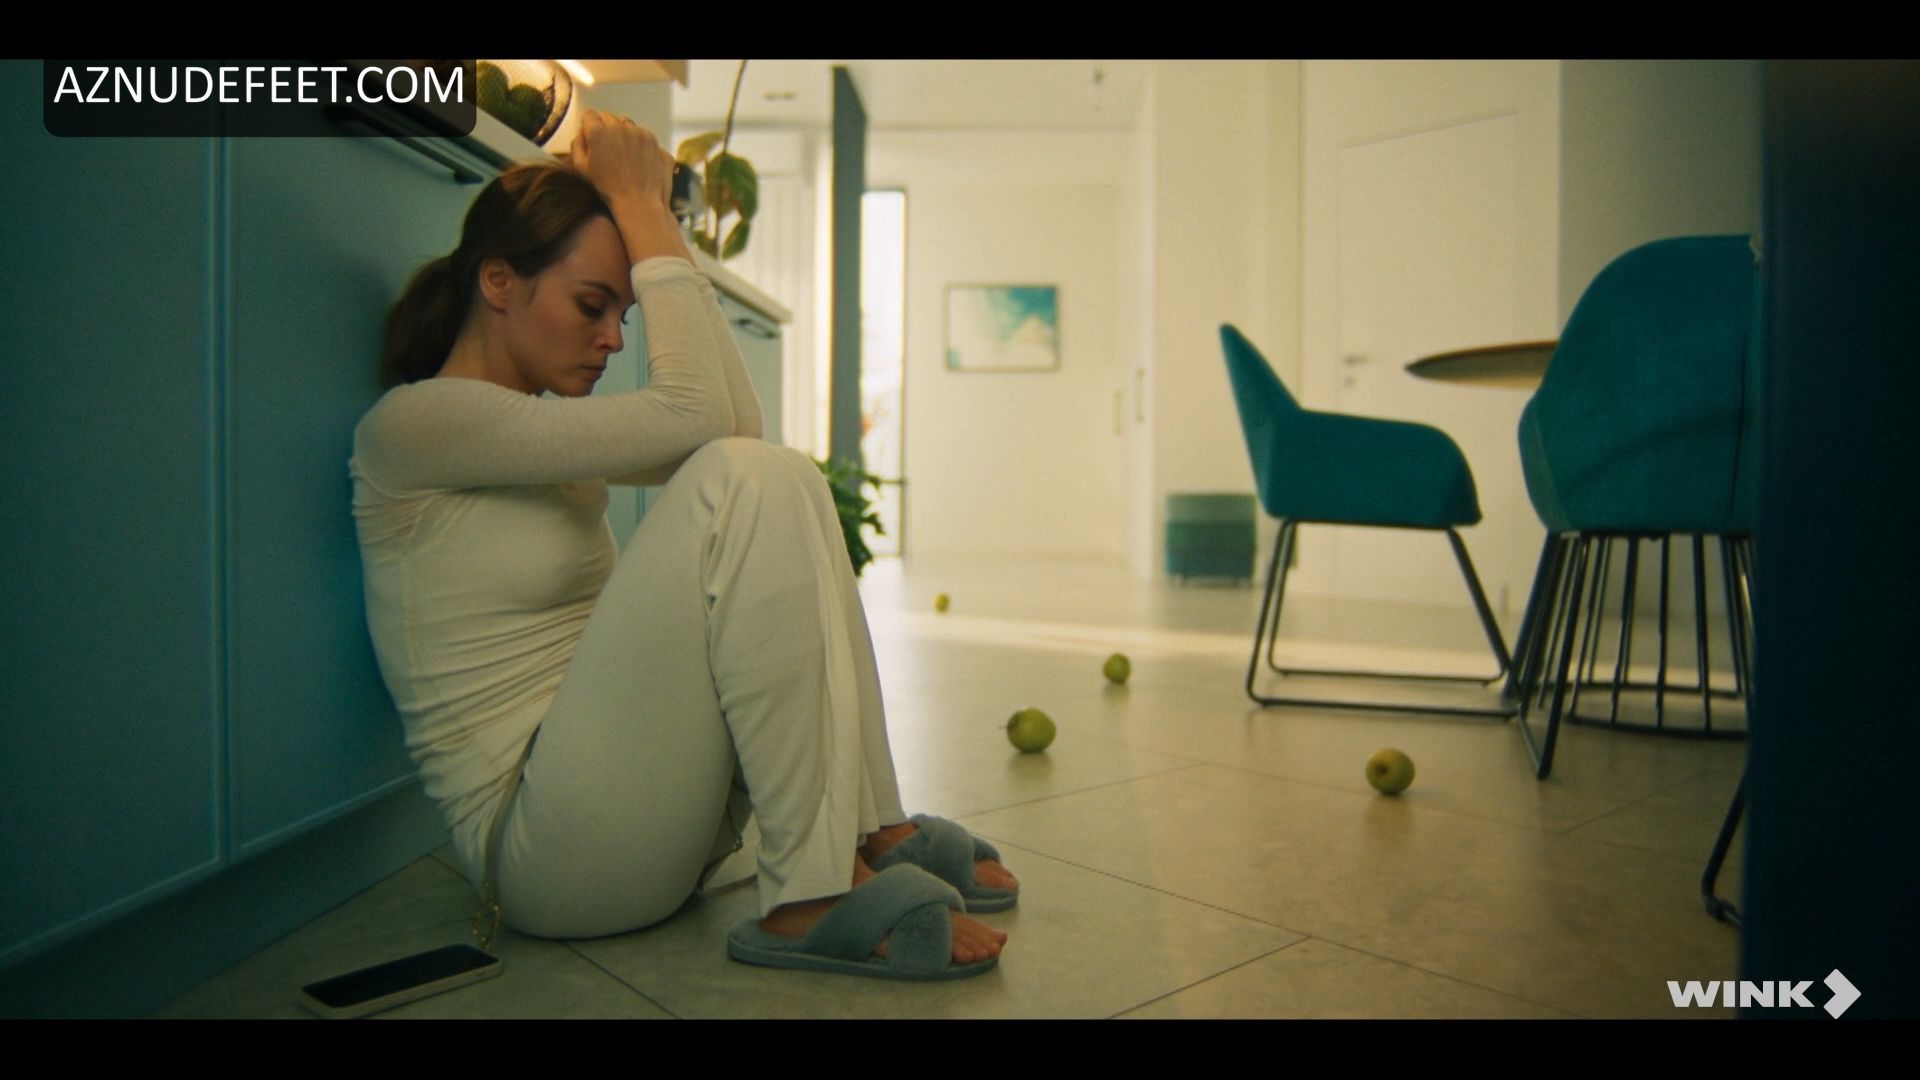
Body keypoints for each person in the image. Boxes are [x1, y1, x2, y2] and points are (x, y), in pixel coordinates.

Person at [348, 109, 1016, 981]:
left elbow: (736, 425)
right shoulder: (414, 427)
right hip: (544, 856)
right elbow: (711, 429)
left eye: (623, 313)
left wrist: (652, 225)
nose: (613, 338)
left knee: (785, 476)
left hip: (647, 823)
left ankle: (867, 829)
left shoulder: (531, 433)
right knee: (742, 477)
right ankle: (811, 894)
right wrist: (643, 208)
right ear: (499, 282)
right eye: (593, 305)